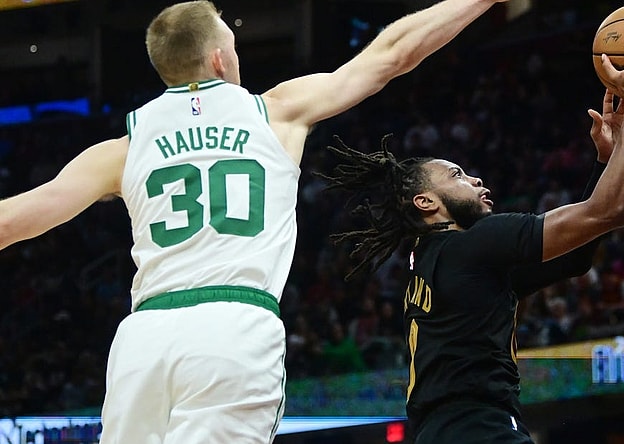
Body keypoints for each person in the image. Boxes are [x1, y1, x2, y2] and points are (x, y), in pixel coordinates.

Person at [0, 0, 510, 442]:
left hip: (144, 339)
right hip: (233, 328)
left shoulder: (124, 147)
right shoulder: (275, 111)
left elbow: (15, 221)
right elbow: (393, 55)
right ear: (220, 58)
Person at [318, 21, 624, 443]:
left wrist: (607, 162)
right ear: (426, 202)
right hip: (480, 429)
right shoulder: (473, 245)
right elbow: (609, 211)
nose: (475, 179)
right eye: (457, 174)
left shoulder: (439, 266)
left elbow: (576, 257)